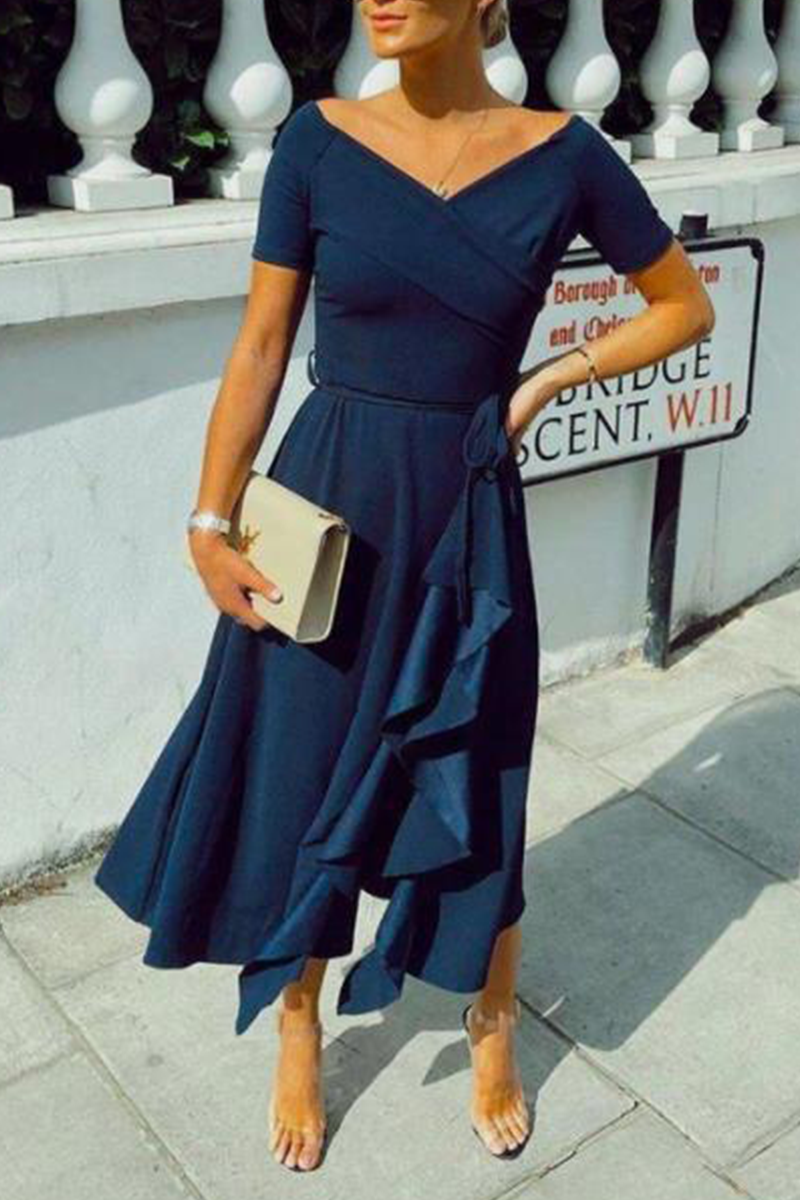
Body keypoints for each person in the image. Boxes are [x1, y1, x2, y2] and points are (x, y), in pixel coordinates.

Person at [93, 0, 715, 1176]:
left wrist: (543, 382)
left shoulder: (564, 157)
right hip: (325, 506)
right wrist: (209, 518)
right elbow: (261, 344)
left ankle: (491, 1017)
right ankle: (296, 1017)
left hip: (465, 519)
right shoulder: (316, 142)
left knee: (475, 770)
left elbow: (683, 305)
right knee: (296, 773)